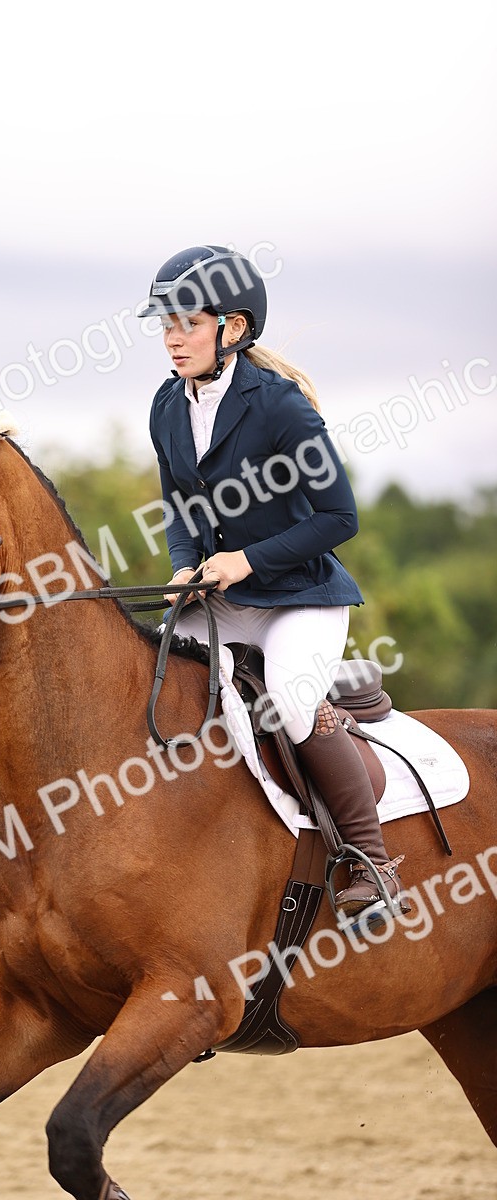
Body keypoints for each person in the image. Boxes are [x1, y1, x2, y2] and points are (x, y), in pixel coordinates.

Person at [138, 244, 407, 919]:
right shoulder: (167, 407)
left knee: (287, 700)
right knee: (154, 680)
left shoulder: (281, 407)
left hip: (299, 599)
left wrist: (246, 561)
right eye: (165, 323)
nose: (173, 338)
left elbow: (338, 517)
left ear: (233, 328)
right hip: (220, 600)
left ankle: (369, 862)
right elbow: (181, 510)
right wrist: (183, 563)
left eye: (188, 323)